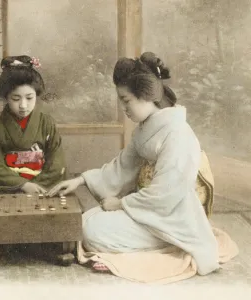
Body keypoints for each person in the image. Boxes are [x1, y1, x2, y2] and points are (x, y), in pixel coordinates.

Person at [48, 52, 220, 276]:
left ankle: (172, 246)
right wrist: (80, 180)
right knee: (84, 220)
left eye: (126, 100)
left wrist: (120, 204)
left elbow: (166, 195)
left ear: (146, 95)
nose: (123, 108)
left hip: (172, 215)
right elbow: (122, 166)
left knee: (90, 230)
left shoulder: (178, 133)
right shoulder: (146, 128)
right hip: (148, 209)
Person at [0, 55, 66, 194]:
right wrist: (23, 185)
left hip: (43, 187)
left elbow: (57, 163)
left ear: (36, 95)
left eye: (29, 98)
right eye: (16, 98)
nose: (23, 105)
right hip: (10, 188)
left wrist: (35, 186)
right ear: (6, 98)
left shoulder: (47, 123)